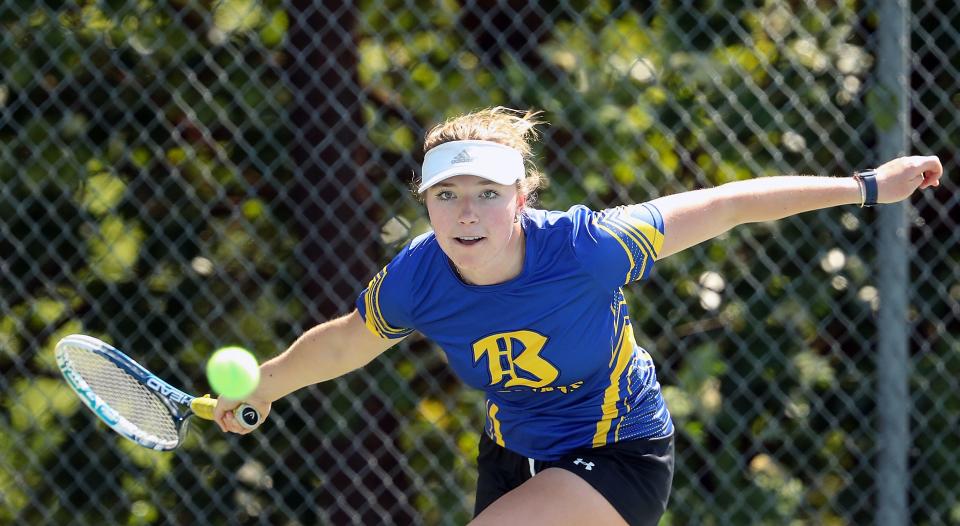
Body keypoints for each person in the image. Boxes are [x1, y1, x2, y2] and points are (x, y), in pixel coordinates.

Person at [213, 107, 943, 526]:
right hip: (512, 455)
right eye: (446, 196)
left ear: (523, 197)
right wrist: (267, 385)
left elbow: (727, 204)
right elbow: (348, 340)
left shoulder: (589, 247)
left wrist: (866, 187)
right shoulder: (416, 279)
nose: (466, 213)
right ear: (424, 202)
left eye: (487, 194)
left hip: (620, 452)